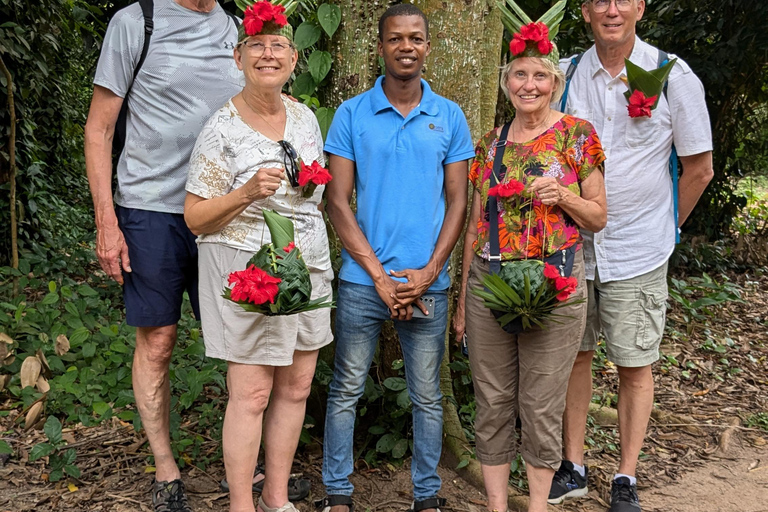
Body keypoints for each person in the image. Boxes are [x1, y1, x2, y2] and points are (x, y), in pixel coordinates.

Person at [549, 1, 714, 511]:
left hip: (638, 249)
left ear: (641, 7)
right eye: (600, 0)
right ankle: (572, 465)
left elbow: (699, 168)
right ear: (584, 12)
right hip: (571, 247)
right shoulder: (565, 74)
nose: (612, 9)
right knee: (574, 355)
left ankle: (625, 476)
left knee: (633, 362)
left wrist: (664, 230)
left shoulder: (672, 74)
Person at [84, 1, 244, 509]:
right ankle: (165, 468)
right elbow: (99, 129)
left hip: (224, 208)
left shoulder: (239, 26)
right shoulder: (137, 22)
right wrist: (107, 222)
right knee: (158, 341)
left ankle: (243, 466)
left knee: (241, 337)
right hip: (151, 209)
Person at [320, 5, 474, 512]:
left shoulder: (449, 116)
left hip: (426, 281)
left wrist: (429, 272)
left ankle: (426, 496)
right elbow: (336, 202)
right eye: (395, 38)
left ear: (428, 46)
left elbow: (458, 201)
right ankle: (338, 493)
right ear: (381, 46)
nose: (405, 46)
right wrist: (378, 277)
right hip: (363, 282)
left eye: (415, 38)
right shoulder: (351, 113)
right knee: (345, 388)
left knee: (428, 396)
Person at [453, 4, 607, 511]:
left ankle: (537, 506)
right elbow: (476, 227)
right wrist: (461, 306)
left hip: (556, 286)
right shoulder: (489, 144)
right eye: (520, 74)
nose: (530, 85)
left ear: (555, 81)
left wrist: (562, 195)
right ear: (507, 82)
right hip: (490, 285)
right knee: (493, 403)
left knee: (539, 406)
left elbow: (598, 216)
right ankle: (499, 506)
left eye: (540, 75)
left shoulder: (576, 135)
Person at [183, 2, 332, 512]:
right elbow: (195, 217)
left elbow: (311, 189)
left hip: (306, 263)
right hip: (250, 272)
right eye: (257, 46)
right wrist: (246, 192)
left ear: (294, 57)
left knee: (296, 387)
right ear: (238, 56)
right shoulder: (221, 127)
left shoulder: (306, 118)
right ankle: (241, 505)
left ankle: (275, 497)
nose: (268, 54)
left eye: (278, 46)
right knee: (250, 394)